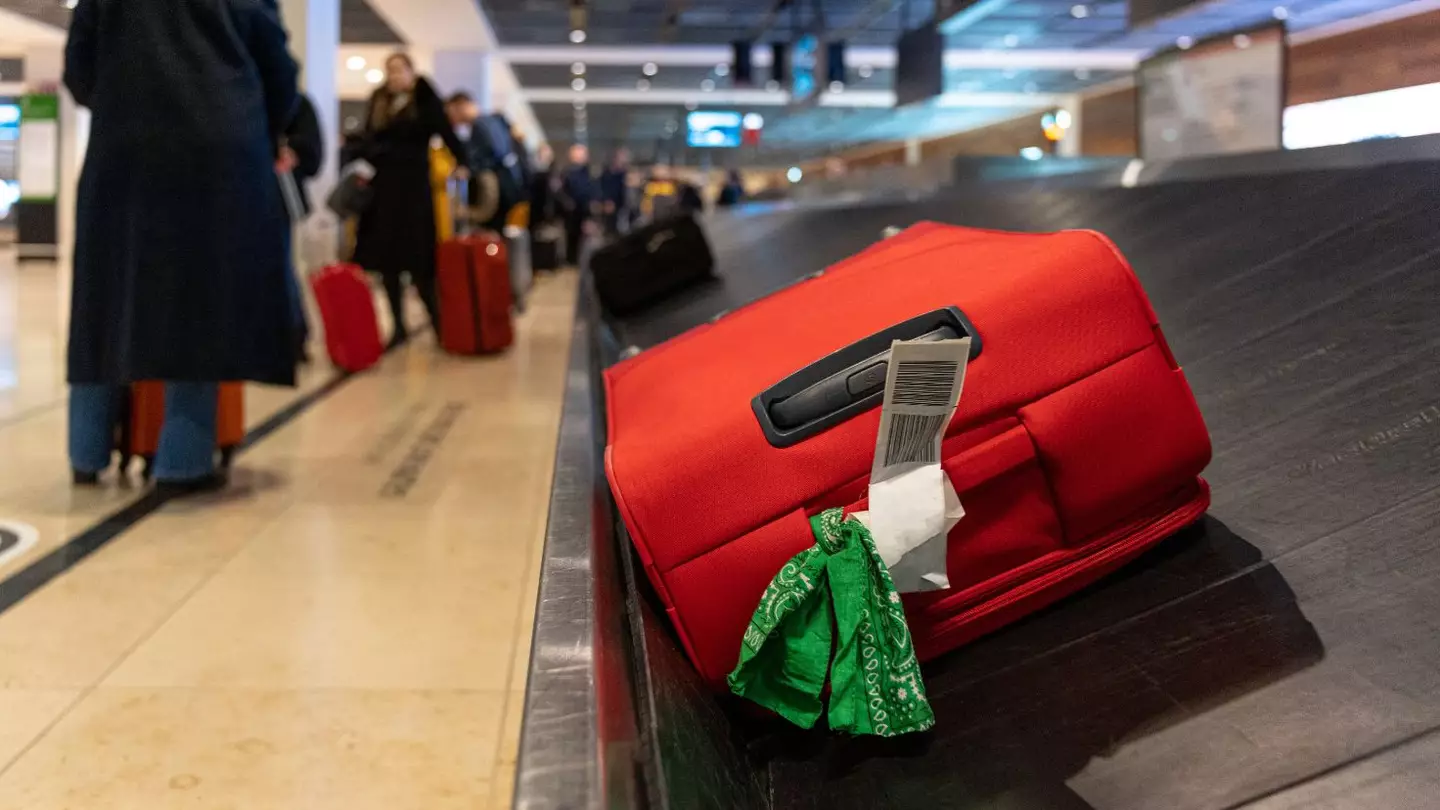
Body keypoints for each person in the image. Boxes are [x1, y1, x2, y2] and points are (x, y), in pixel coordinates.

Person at [63, 0, 298, 492]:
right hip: (215, 152)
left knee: (106, 298)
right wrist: (260, 122)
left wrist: (122, 102)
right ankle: (182, 461)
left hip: (123, 151)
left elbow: (78, 67)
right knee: (198, 305)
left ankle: (86, 451)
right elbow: (277, 69)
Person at [351, 53, 466, 348]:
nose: (394, 76)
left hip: (413, 190)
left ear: (411, 72)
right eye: (390, 70)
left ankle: (439, 325)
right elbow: (368, 137)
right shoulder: (379, 99)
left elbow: (445, 130)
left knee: (420, 261)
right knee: (387, 263)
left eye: (399, 70)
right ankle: (398, 326)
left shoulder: (423, 97)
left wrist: (463, 161)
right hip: (383, 190)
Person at [279, 92, 324, 364]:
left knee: (281, 267)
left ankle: (294, 336)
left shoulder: (295, 102)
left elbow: (312, 156)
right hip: (238, 195)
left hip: (279, 198)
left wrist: (289, 150)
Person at [559, 144, 596, 267]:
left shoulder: (588, 173)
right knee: (571, 236)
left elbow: (590, 190)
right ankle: (571, 260)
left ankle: (581, 259)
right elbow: (561, 192)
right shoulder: (566, 173)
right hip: (571, 212)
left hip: (584, 209)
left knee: (584, 237)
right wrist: (568, 203)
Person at [598, 148, 631, 236]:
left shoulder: (625, 174)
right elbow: (603, 188)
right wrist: (607, 201)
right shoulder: (607, 174)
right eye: (622, 157)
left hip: (623, 207)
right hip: (610, 206)